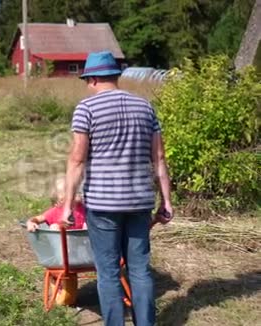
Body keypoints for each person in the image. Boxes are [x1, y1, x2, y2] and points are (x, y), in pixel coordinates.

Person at [60, 51, 173, 326]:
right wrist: (166, 202)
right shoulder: (145, 107)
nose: (87, 85)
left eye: (87, 80)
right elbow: (158, 157)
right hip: (140, 203)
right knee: (140, 270)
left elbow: (77, 159)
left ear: (95, 78)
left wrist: (67, 205)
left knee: (108, 272)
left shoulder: (86, 109)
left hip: (103, 205)